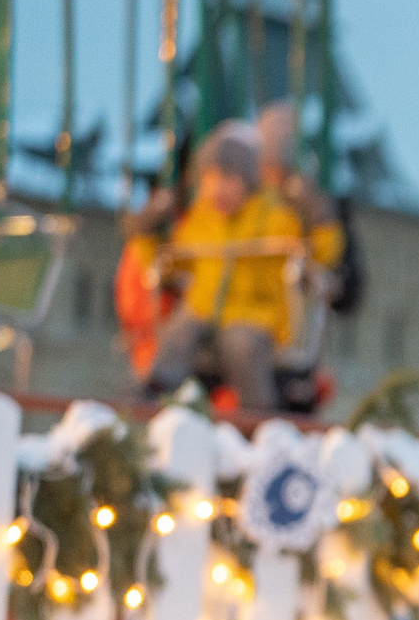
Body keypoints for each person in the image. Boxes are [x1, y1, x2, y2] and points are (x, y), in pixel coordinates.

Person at [129, 120, 341, 412]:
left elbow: (321, 253)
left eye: (228, 179)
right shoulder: (200, 221)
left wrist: (321, 218)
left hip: (253, 312)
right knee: (177, 333)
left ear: (249, 183)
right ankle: (154, 398)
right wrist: (146, 231)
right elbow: (163, 263)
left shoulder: (273, 218)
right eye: (209, 179)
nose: (218, 188)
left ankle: (259, 411)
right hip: (203, 308)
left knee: (241, 344)